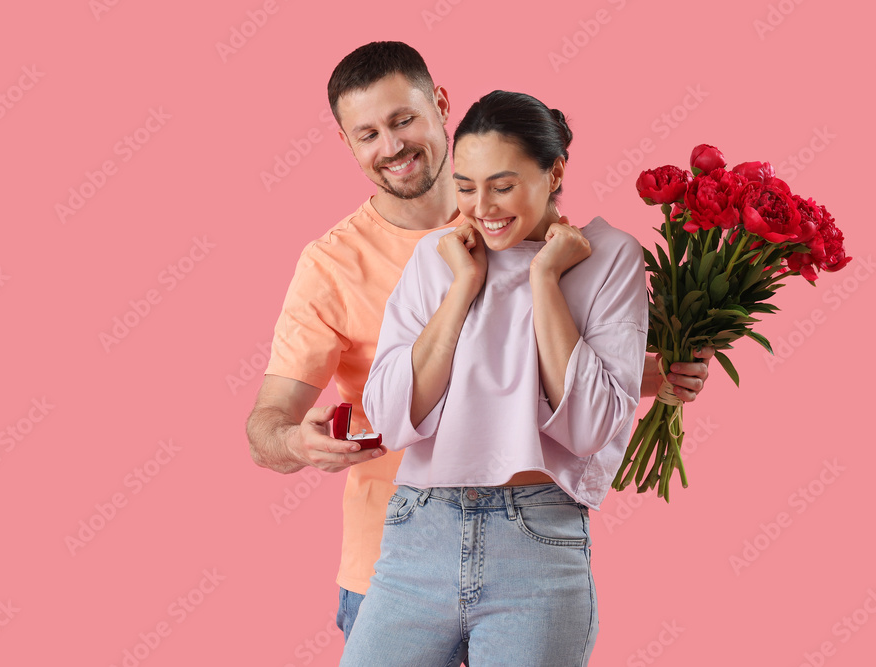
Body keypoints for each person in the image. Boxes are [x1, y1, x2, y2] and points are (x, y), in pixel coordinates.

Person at [245, 41, 713, 645]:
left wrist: (646, 374)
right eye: (367, 134)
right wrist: (295, 442)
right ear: (347, 144)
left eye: (403, 119)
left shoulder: (578, 250)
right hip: (392, 542)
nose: (391, 146)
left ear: (440, 105)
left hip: (535, 529)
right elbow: (271, 423)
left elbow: (578, 405)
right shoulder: (340, 264)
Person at [341, 90, 639, 666]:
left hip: (536, 543)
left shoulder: (608, 257)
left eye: (502, 186)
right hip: (416, 534)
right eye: (467, 186)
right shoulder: (439, 257)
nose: (481, 207)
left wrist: (546, 279)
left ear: (554, 173)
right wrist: (461, 287)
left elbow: (591, 427)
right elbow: (393, 414)